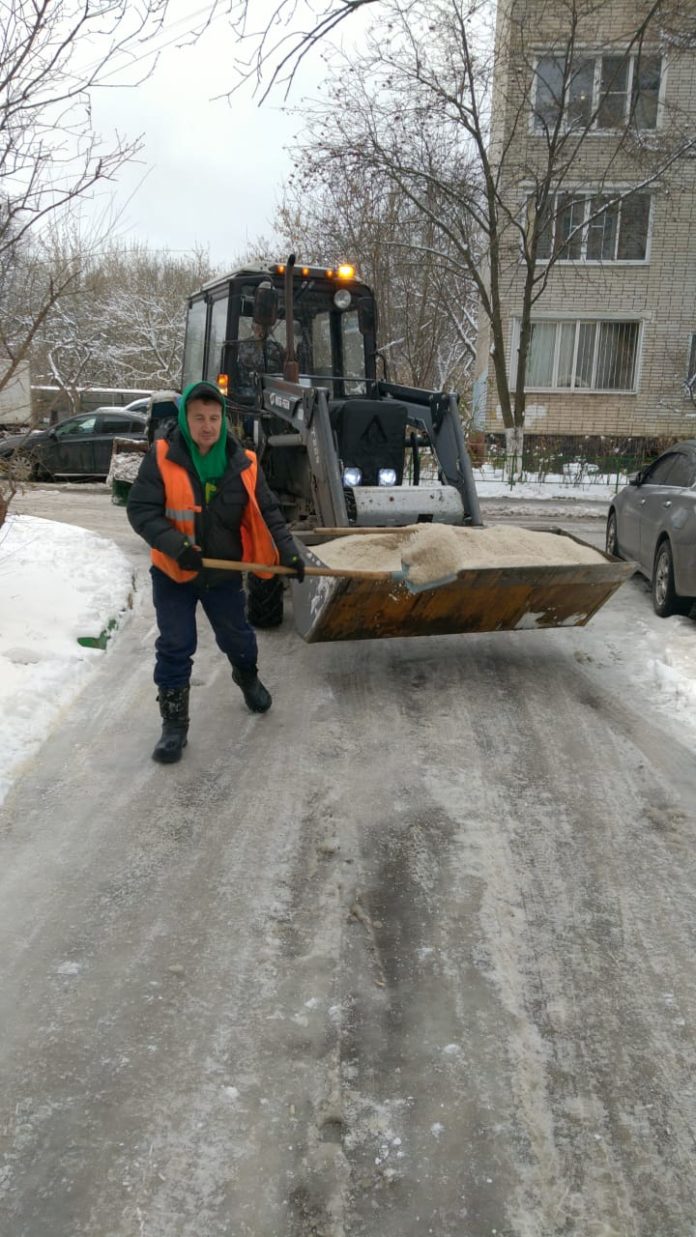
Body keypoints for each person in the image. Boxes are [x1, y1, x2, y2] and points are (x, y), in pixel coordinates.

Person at [127, 380, 305, 764]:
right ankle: (174, 727)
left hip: (223, 575)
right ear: (184, 419)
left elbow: (270, 515)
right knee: (176, 645)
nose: (207, 425)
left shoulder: (245, 463)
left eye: (213, 417)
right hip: (174, 572)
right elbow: (141, 511)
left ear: (224, 420)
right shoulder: (161, 457)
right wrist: (176, 546)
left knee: (238, 638)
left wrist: (288, 554)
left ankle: (247, 676)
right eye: (198, 418)